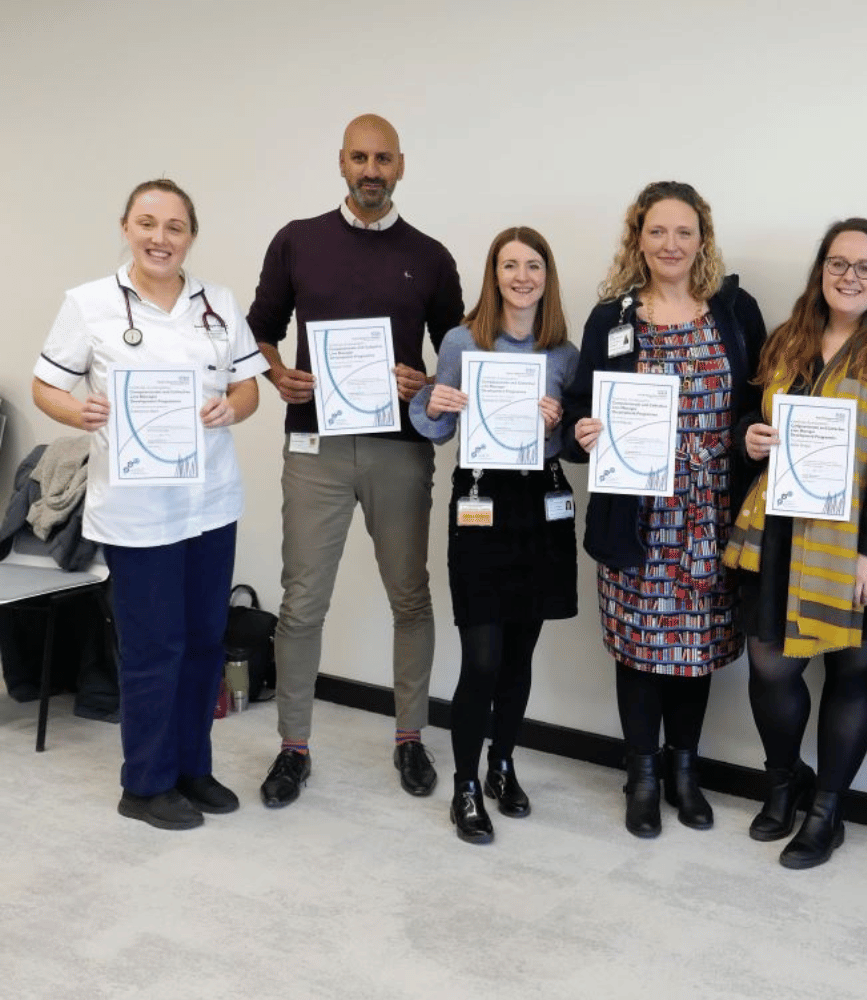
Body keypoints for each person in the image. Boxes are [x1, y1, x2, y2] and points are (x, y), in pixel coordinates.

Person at [32, 178, 268, 829]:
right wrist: (77, 409)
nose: (160, 238)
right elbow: (45, 385)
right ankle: (145, 783)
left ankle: (193, 768)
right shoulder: (88, 305)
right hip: (138, 513)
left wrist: (232, 407)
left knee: (203, 641)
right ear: (126, 227)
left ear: (190, 236)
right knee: (153, 647)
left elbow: (250, 389)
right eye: (147, 223)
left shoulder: (216, 303)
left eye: (174, 226)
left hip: (211, 503)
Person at [247, 114, 464, 807]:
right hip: (315, 446)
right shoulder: (297, 241)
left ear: (401, 166)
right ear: (342, 163)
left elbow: (456, 360)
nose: (371, 170)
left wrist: (425, 384)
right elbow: (259, 331)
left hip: (400, 450)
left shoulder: (430, 257)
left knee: (410, 594)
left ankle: (409, 737)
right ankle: (293, 747)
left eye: (383, 159)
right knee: (302, 601)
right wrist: (277, 374)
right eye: (359, 158)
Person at [726, 217, 867, 869]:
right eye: (838, 264)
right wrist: (748, 438)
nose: (850, 277)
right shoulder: (789, 339)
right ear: (821, 271)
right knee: (770, 665)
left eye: (865, 267)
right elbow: (751, 416)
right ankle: (786, 781)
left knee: (852, 670)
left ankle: (828, 811)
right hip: (780, 531)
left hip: (863, 544)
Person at [563, 181, 766, 838]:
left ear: (702, 239)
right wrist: (583, 433)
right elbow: (574, 417)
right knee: (641, 647)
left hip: (710, 512)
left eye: (684, 232)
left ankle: (686, 771)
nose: (671, 244)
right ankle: (642, 776)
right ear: (638, 239)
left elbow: (758, 413)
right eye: (657, 232)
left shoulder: (735, 313)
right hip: (637, 510)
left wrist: (749, 439)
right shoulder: (612, 320)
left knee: (696, 648)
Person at [409, 227, 579, 844]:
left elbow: (571, 444)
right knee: (482, 657)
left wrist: (559, 423)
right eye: (510, 265)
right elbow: (436, 428)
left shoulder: (563, 352)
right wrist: (436, 403)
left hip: (538, 505)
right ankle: (465, 784)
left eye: (534, 265)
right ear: (494, 274)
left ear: (546, 276)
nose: (522, 276)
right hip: (480, 501)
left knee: (518, 657)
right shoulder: (462, 340)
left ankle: (502, 764)